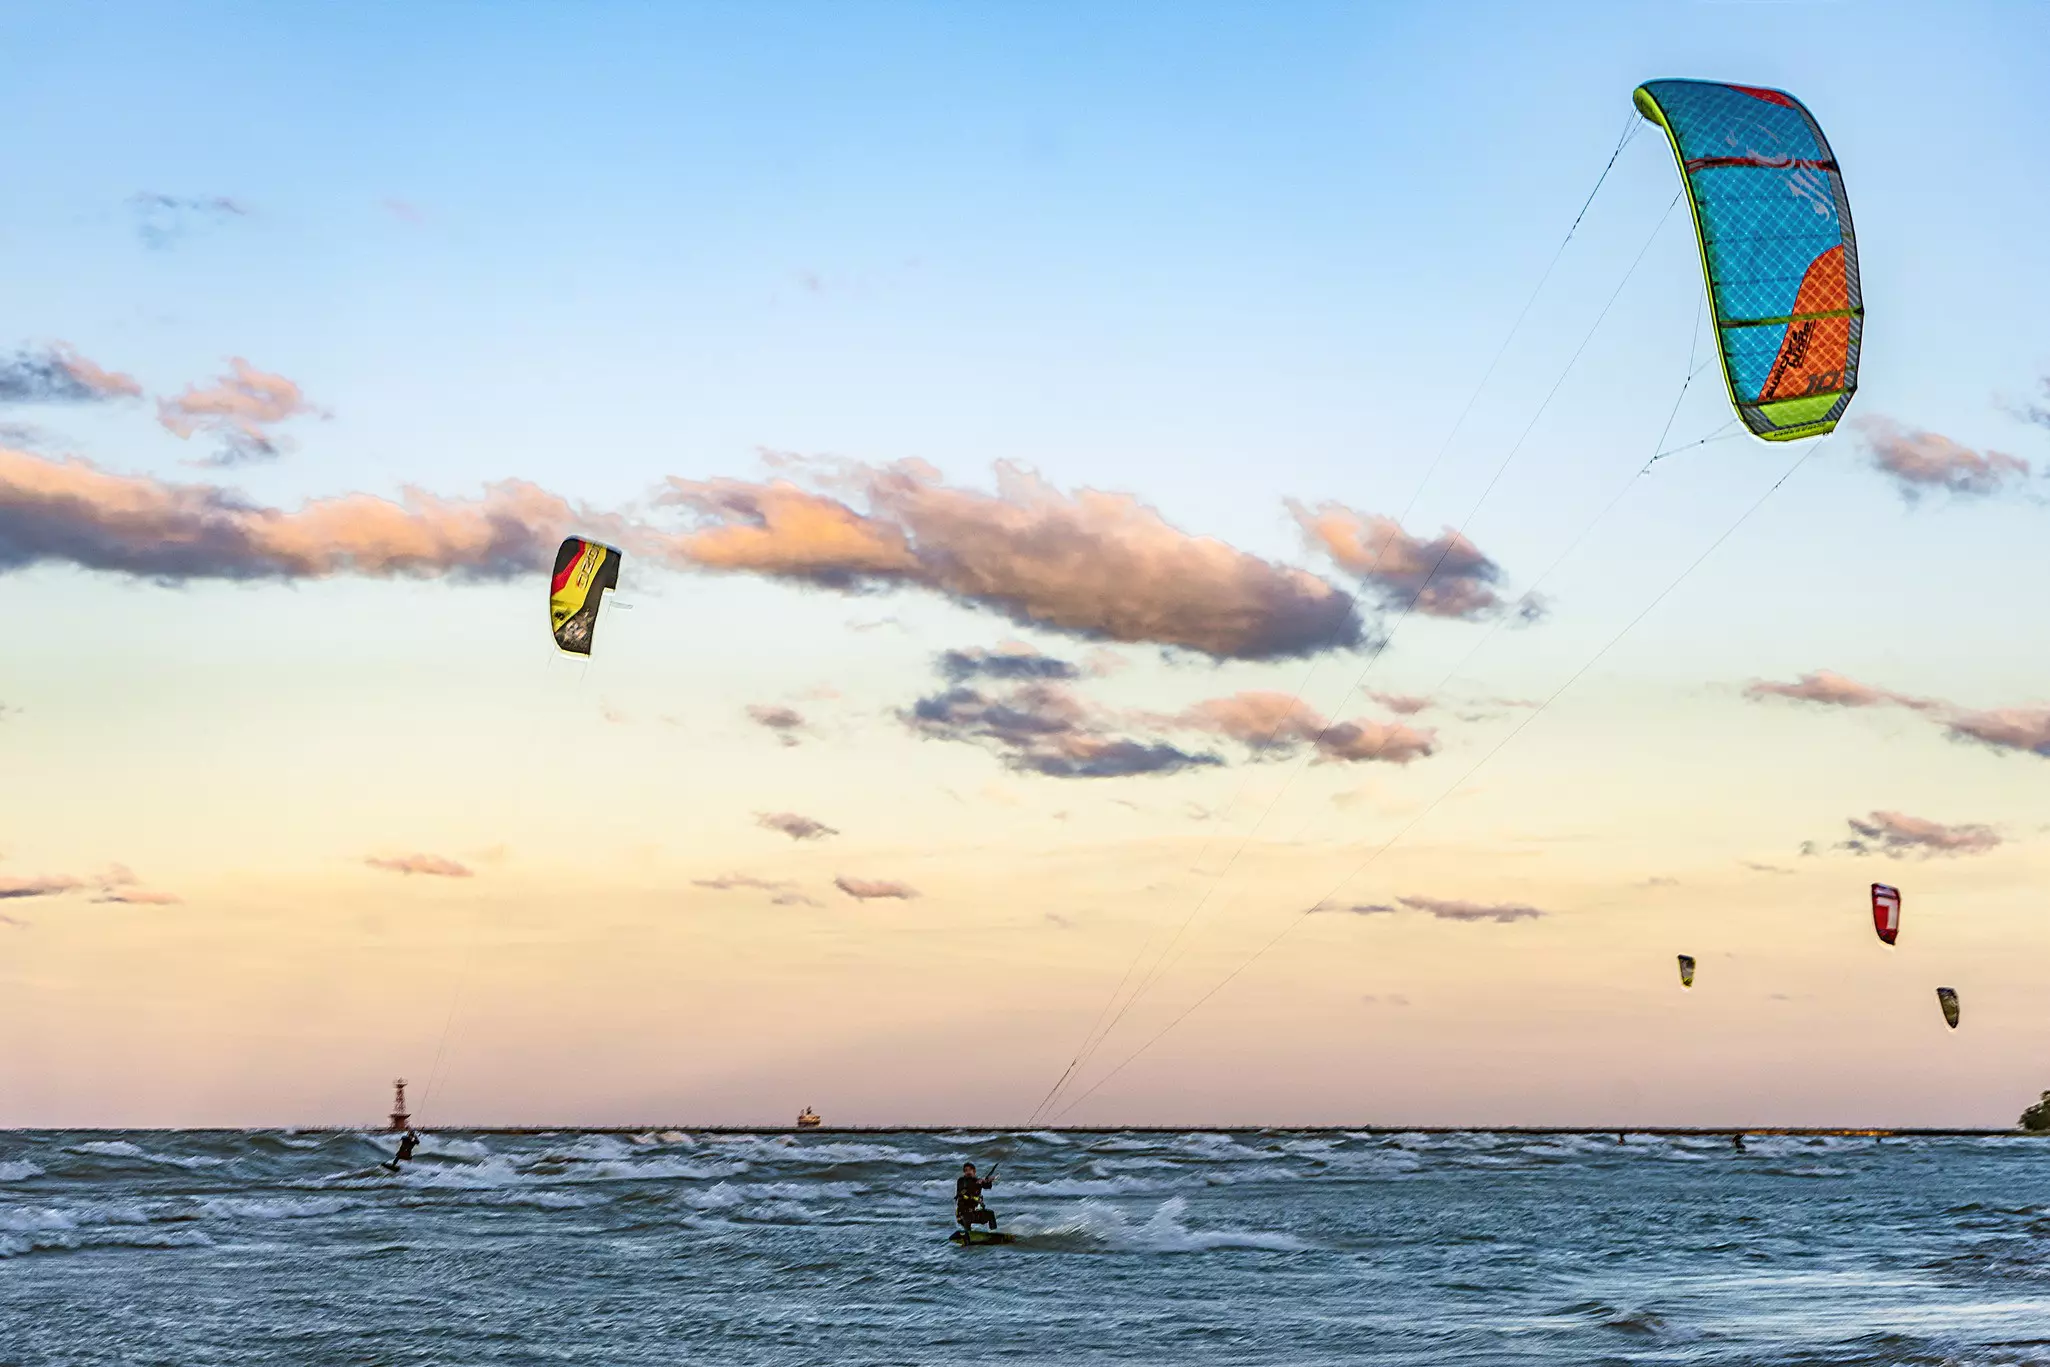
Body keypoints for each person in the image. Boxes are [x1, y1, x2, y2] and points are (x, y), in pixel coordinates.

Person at [954, 1161, 998, 1234]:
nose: (967, 1172)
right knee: (966, 1219)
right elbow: (961, 1192)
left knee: (990, 1214)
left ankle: (994, 1233)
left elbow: (987, 1187)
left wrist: (988, 1181)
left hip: (975, 1212)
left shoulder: (978, 1180)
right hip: (963, 1213)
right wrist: (977, 1183)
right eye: (965, 1170)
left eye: (969, 1170)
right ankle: (967, 1235)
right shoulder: (961, 1181)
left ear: (974, 1171)